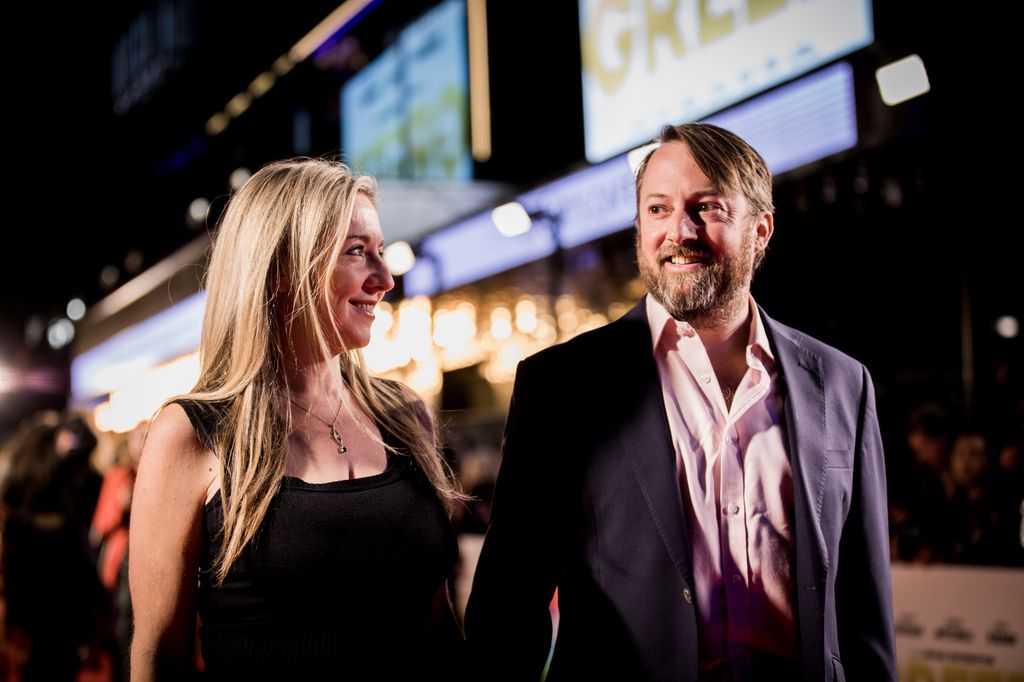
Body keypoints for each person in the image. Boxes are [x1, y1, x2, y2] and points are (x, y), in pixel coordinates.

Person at [465, 123, 896, 681]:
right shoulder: (562, 386)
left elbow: (864, 611)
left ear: (760, 231)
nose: (679, 231)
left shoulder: (841, 383)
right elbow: (508, 610)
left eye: (707, 208)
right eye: (658, 209)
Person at [129, 158, 465, 681]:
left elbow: (437, 624)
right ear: (282, 270)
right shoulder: (193, 433)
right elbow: (158, 657)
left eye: (380, 250)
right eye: (358, 252)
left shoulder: (403, 415)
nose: (385, 278)